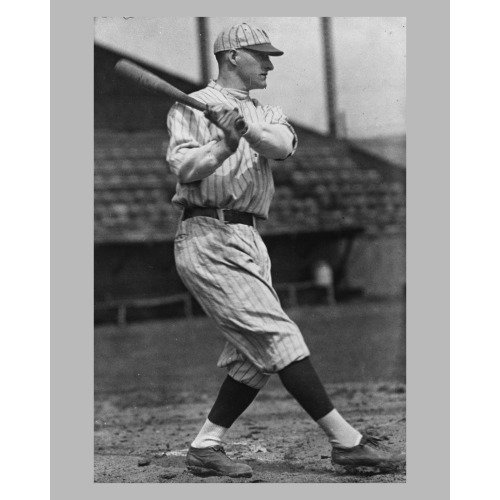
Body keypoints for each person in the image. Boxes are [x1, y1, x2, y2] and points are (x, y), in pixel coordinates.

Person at [166, 22, 405, 478]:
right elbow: (185, 167)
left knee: (253, 355)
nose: (270, 64)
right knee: (279, 337)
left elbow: (282, 145)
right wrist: (223, 144)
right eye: (261, 55)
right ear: (233, 56)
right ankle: (345, 442)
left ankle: (206, 445)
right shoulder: (188, 108)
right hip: (207, 235)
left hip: (250, 237)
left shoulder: (267, 109)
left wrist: (246, 130)